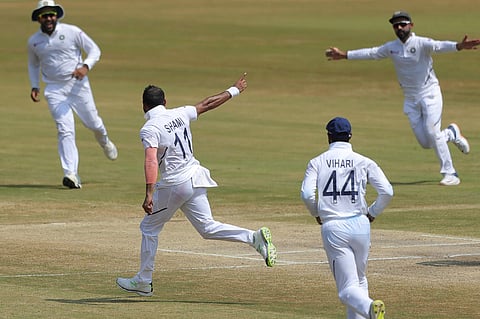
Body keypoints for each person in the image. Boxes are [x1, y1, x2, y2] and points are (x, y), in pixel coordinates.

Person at [116, 73, 277, 297]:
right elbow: (206, 104)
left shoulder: (150, 128)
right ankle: (254, 237)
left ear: (143, 105)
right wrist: (234, 90)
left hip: (175, 183)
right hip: (195, 177)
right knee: (207, 227)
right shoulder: (180, 113)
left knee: (149, 227)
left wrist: (149, 193)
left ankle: (144, 281)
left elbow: (151, 159)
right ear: (165, 102)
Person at [325, 11, 480, 186]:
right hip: (410, 98)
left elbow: (439, 46)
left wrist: (459, 46)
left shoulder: (421, 43)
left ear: (411, 25)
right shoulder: (392, 47)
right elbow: (372, 53)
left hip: (430, 94)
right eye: (395, 25)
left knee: (432, 132)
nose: (399, 27)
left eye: (403, 24)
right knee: (426, 142)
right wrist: (344, 55)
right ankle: (451, 133)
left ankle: (451, 173)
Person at [301, 117, 393, 319]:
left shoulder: (317, 162)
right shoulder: (364, 161)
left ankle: (370, 307)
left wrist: (316, 213)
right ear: (350, 136)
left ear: (328, 137)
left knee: (345, 291)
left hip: (334, 227)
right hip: (361, 224)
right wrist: (372, 213)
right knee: (359, 280)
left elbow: (307, 194)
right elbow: (387, 191)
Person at [28, 0, 118, 189]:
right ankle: (71, 174)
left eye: (52, 14)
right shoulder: (34, 41)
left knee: (93, 123)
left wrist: (85, 66)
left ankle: (105, 141)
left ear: (57, 15)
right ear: (39, 18)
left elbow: (95, 50)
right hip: (54, 89)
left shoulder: (71, 31)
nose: (49, 18)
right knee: (65, 129)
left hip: (78, 86)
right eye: (44, 15)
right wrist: (35, 85)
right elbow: (33, 64)